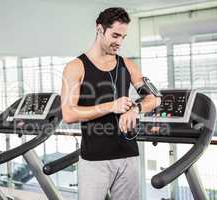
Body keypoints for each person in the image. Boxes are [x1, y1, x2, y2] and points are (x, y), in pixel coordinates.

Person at [61, 7, 161, 200]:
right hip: (94, 161)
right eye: (115, 35)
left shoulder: (128, 65)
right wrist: (111, 106)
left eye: (123, 37)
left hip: (128, 157)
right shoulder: (75, 67)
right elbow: (68, 114)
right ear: (99, 29)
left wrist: (136, 109)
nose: (119, 42)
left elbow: (154, 98)